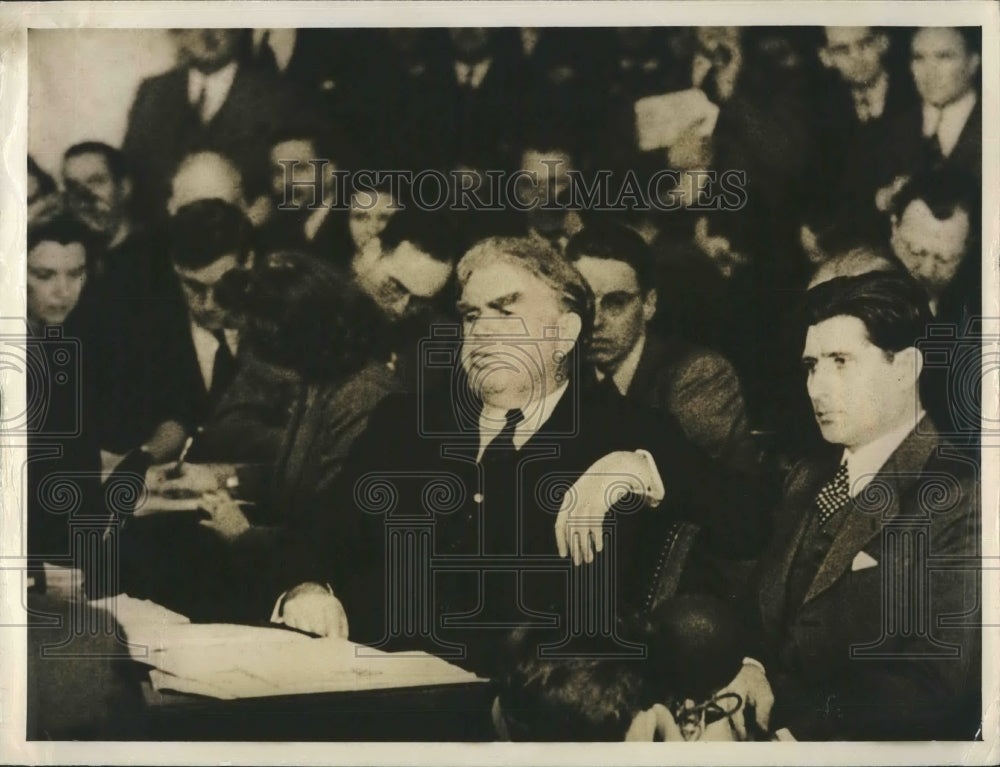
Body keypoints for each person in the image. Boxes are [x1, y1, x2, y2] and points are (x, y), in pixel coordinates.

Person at [271, 236, 772, 676]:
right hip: (369, 690)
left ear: (565, 333)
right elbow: (318, 531)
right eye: (471, 314)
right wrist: (308, 589)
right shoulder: (406, 424)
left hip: (517, 711)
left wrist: (637, 466)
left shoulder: (623, 430)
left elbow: (747, 519)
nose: (482, 331)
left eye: (505, 310)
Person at [734, 272, 980, 740]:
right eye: (811, 366)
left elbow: (935, 686)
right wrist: (751, 668)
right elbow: (760, 607)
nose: (817, 388)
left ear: (905, 368)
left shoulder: (961, 493)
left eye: (841, 362)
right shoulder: (809, 476)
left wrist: (798, 737)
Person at [135, 252, 402, 621]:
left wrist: (245, 536)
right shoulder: (322, 380)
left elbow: (335, 530)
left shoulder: (365, 397)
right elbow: (298, 473)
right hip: (294, 553)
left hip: (334, 589)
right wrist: (221, 476)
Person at [566, 222, 761, 476]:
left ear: (649, 304)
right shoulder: (570, 370)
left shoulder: (701, 375)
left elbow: (684, 483)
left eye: (616, 302)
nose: (596, 320)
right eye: (585, 302)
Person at [122, 28, 294, 223]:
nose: (207, 34)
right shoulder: (152, 93)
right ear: (177, 32)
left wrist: (263, 213)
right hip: (160, 238)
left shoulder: (275, 95)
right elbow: (130, 171)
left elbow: (292, 178)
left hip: (245, 237)